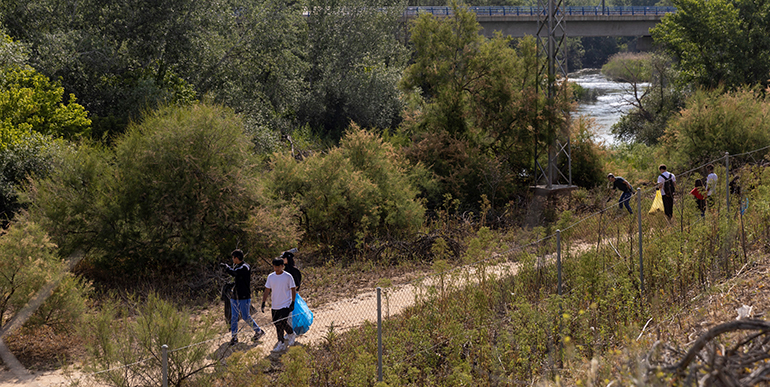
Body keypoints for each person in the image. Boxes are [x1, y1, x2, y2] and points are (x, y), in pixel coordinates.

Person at [221, 249, 265, 345]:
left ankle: (259, 331)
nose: (232, 260)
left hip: (244, 296)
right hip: (235, 295)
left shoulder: (245, 267)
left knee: (245, 316)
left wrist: (227, 268)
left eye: (233, 258)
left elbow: (235, 273)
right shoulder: (239, 267)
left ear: (236, 258)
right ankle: (234, 337)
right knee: (234, 317)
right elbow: (238, 278)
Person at [262, 257, 296, 352]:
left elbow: (293, 289)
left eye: (278, 267)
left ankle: (290, 334)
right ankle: (281, 342)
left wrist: (292, 302)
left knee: (282, 322)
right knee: (277, 324)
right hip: (275, 304)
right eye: (274, 266)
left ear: (282, 266)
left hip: (285, 303)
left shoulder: (288, 276)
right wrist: (263, 302)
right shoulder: (270, 277)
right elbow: (267, 290)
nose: (276, 269)